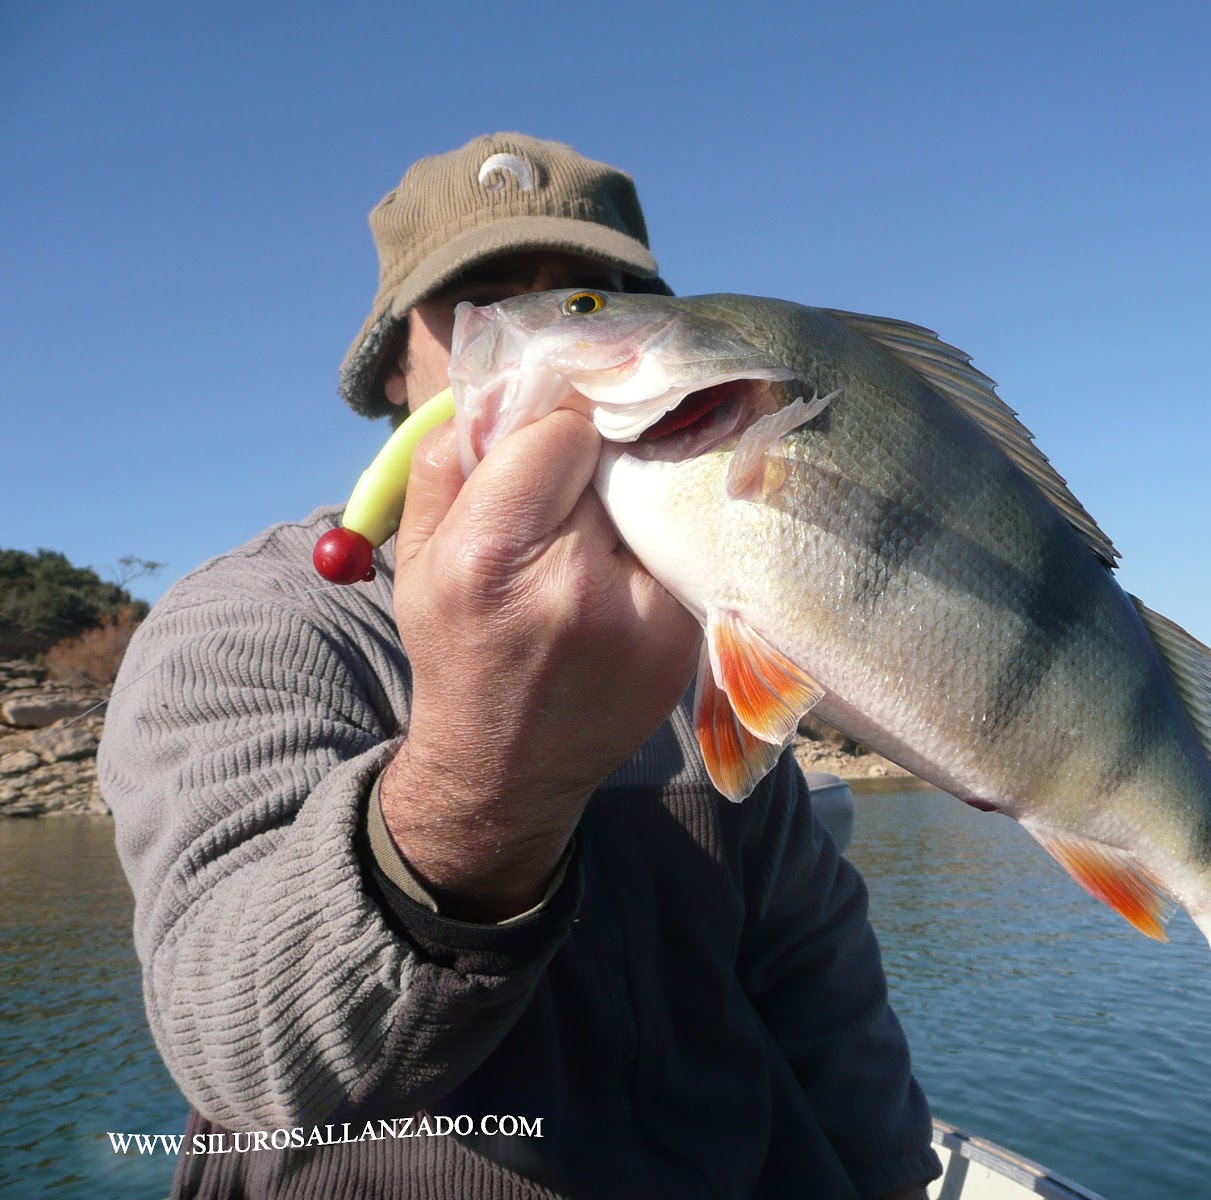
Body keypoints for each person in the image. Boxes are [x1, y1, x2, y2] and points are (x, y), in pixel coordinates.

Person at [100, 133, 940, 1200]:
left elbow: (815, 980)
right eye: (477, 305)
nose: (542, 339)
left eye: (593, 300)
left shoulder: (709, 622)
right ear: (396, 372)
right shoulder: (247, 621)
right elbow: (241, 1051)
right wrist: (487, 774)